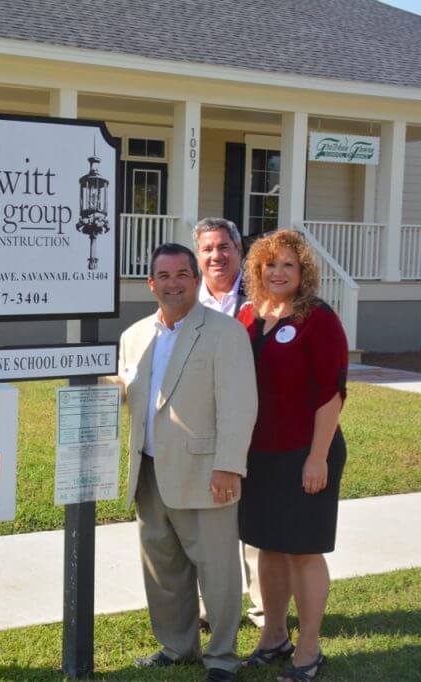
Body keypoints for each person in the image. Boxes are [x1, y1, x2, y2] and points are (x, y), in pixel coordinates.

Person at [117, 243, 257, 682]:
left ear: (196, 280)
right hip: (149, 471)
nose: (173, 282)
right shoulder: (134, 336)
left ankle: (221, 656)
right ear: (151, 283)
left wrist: (228, 465)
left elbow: (239, 405)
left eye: (182, 274)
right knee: (163, 568)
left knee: (216, 570)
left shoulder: (224, 332)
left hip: (206, 472)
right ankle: (177, 647)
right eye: (164, 275)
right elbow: (131, 395)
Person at [236, 229, 348, 681]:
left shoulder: (318, 318)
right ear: (258, 270)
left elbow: (331, 393)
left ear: (303, 272)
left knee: (303, 551)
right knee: (268, 548)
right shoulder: (249, 315)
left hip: (306, 452)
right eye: (270, 265)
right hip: (259, 456)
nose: (278, 272)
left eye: (288, 265)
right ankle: (273, 637)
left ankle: (309, 648)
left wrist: (317, 457)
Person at [193, 217, 263, 629]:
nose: (216, 256)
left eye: (224, 247)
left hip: (253, 428)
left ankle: (261, 610)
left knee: (253, 526)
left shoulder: (261, 296)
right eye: (207, 249)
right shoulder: (186, 298)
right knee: (209, 528)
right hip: (202, 429)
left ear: (239, 251)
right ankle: (209, 609)